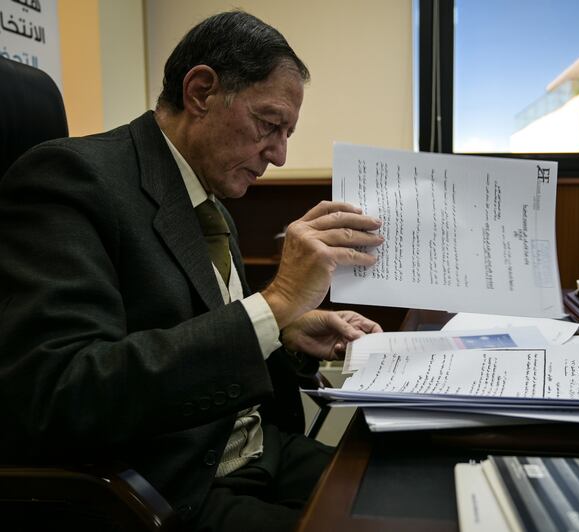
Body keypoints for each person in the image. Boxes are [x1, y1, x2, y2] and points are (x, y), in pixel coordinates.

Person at [0, 10, 385, 532]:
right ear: (201, 91)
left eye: (286, 133)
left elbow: (208, 340)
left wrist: (287, 334)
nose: (279, 155)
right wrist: (273, 305)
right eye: (269, 125)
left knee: (418, 487)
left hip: (261, 452)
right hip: (170, 490)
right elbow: (61, 392)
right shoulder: (70, 179)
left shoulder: (210, 200)